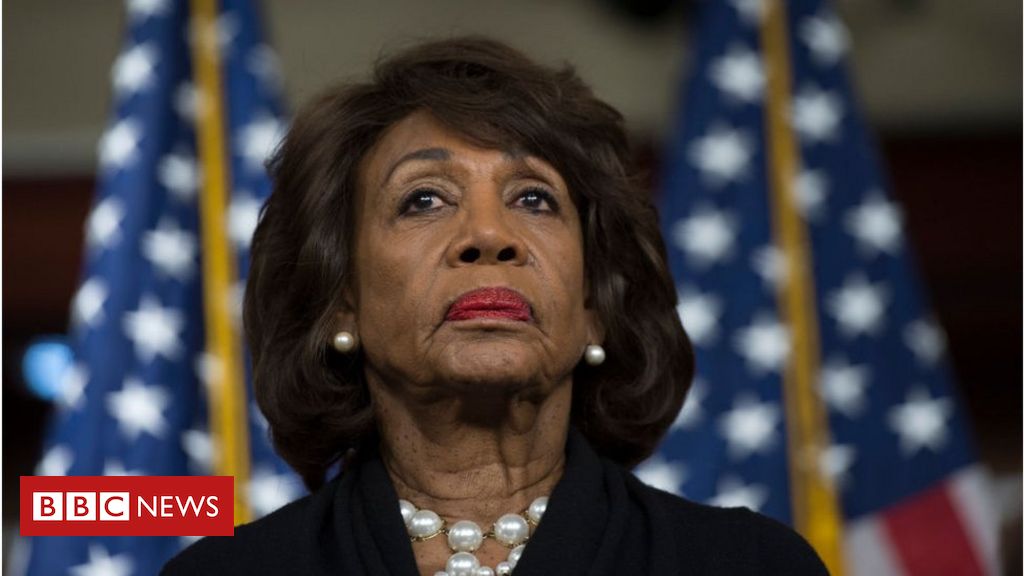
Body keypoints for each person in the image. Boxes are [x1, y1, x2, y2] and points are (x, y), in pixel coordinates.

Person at [163, 36, 828, 576]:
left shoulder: (749, 564)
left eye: (533, 198)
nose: (488, 235)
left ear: (594, 305)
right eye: (424, 199)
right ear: (341, 302)